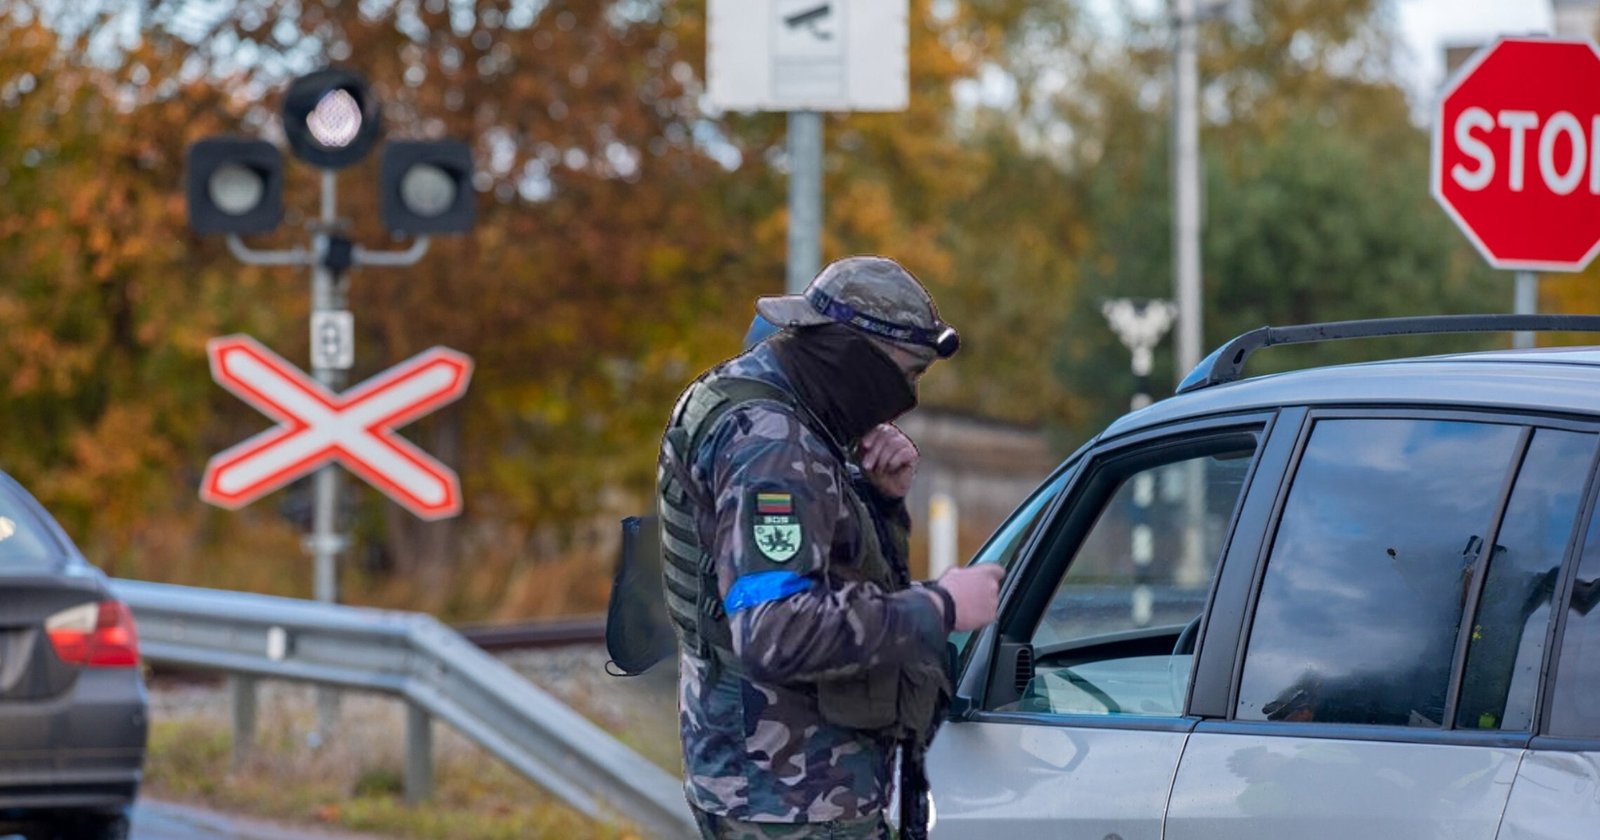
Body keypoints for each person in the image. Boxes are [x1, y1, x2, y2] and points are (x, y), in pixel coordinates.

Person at [656, 255, 1005, 839]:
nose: (906, 399)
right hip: (790, 793)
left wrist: (880, 498)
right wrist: (941, 607)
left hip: (773, 778)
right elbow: (777, 628)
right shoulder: (771, 445)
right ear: (855, 356)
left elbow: (833, 570)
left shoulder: (774, 407)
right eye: (909, 374)